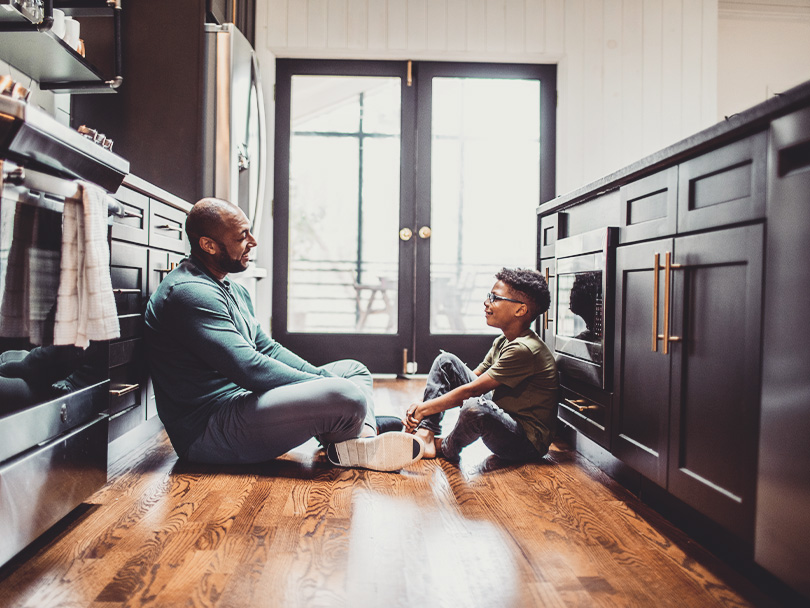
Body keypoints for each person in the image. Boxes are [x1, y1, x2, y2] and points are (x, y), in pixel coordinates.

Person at [144, 198, 423, 471]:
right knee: (346, 394)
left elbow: (267, 349)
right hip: (210, 430)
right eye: (242, 236)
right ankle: (356, 429)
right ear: (208, 245)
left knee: (353, 370)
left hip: (243, 402)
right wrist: (322, 385)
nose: (253, 242)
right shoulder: (189, 292)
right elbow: (250, 369)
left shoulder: (232, 288)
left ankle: (361, 438)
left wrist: (321, 381)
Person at [404, 268, 558, 463]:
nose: (486, 302)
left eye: (495, 297)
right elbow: (469, 378)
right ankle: (425, 434)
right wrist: (423, 410)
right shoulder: (504, 341)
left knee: (475, 407)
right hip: (502, 414)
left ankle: (444, 446)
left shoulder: (525, 349)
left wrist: (423, 408)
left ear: (520, 310)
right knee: (446, 362)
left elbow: (472, 391)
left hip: (524, 442)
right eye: (488, 296)